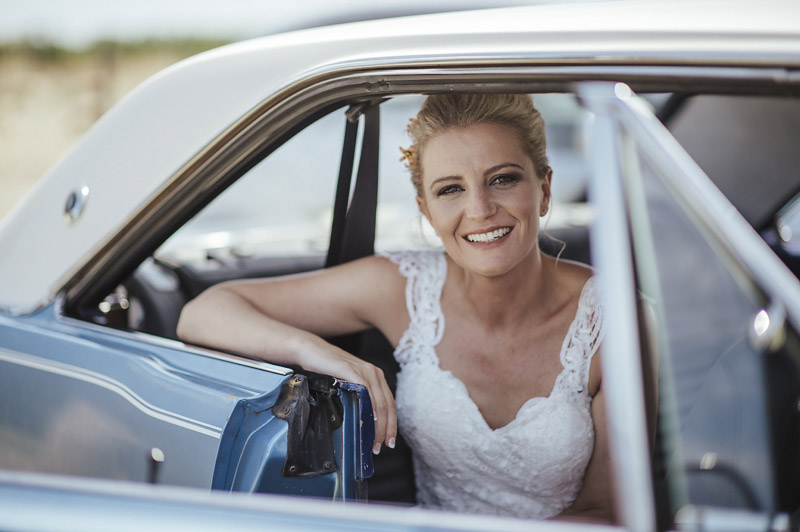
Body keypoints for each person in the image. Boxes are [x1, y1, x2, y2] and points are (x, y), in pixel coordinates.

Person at [177, 93, 613, 522]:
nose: (479, 209)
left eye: (503, 179)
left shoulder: (613, 317)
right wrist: (318, 353)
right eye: (450, 189)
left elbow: (609, 510)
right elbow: (203, 313)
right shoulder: (401, 287)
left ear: (544, 188)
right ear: (425, 209)